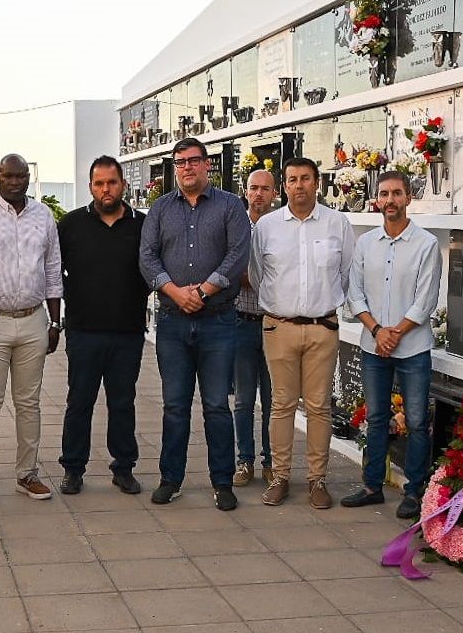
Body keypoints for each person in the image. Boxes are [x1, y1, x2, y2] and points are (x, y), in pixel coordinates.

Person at [139, 138, 251, 510]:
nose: (186, 167)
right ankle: (171, 478)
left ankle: (222, 481)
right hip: (173, 321)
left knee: (217, 405)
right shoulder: (160, 209)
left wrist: (201, 292)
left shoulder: (231, 206)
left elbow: (238, 255)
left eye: (193, 161)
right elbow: (147, 257)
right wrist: (174, 291)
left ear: (207, 165)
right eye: (180, 162)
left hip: (218, 320)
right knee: (174, 405)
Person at [251, 156, 357, 509]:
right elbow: (256, 274)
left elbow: (346, 273)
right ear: (284, 186)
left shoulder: (337, 224)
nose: (299, 185)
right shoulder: (266, 227)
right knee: (281, 406)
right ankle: (280, 476)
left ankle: (317, 479)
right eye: (292, 179)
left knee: (319, 407)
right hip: (279, 327)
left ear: (317, 183)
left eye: (306, 179)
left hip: (322, 329)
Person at [0, 153, 63, 505]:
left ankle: (27, 474)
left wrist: (55, 321)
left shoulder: (43, 215)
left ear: (27, 178)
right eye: (8, 176)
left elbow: (53, 269)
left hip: (34, 320)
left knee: (29, 403)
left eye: (21, 176)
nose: (15, 182)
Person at [340, 171, 441, 520]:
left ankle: (414, 491)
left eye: (397, 193)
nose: (390, 201)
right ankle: (372, 486)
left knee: (415, 421)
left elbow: (425, 300)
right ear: (376, 200)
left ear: (409, 198)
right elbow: (355, 293)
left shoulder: (426, 244)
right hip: (374, 345)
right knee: (377, 416)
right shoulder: (366, 243)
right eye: (384, 194)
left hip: (412, 346)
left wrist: (393, 332)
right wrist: (376, 330)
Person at [56, 156, 149, 495]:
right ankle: (73, 469)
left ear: (123, 184)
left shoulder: (143, 225)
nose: (106, 189)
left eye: (112, 182)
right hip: (83, 332)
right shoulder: (70, 226)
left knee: (123, 402)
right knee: (79, 402)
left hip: (127, 332)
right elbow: (54, 272)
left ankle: (123, 467)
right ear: (90, 187)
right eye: (99, 183)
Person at [233, 168, 278, 488]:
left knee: (275, 401)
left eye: (265, 188)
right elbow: (234, 271)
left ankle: (271, 462)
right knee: (244, 400)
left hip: (275, 325)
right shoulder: (236, 227)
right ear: (245, 191)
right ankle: (244, 461)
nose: (259, 194)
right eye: (254, 188)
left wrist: (254, 277)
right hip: (242, 323)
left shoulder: (281, 228)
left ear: (275, 193)